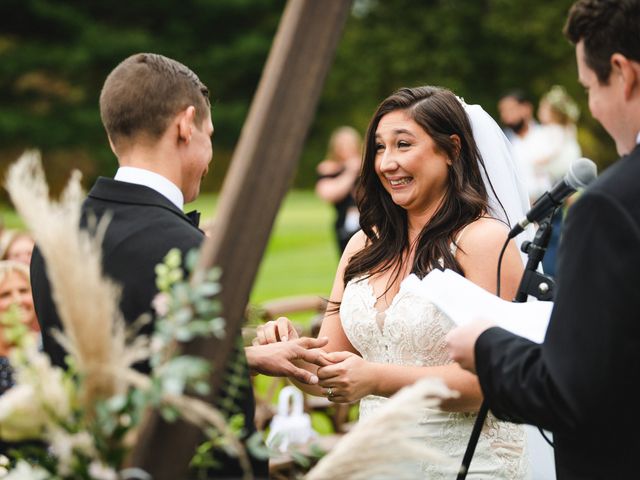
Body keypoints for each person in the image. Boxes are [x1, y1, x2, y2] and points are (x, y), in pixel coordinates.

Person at [29, 52, 327, 479]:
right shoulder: (190, 252)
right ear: (186, 125)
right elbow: (224, 425)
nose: (208, 154)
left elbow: (134, 362)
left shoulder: (52, 237)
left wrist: (247, 357)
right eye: (209, 134)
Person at [255, 86, 533, 478]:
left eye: (403, 145)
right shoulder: (361, 246)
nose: (387, 163)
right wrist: (290, 354)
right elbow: (327, 375)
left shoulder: (484, 242)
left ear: (452, 150)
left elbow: (494, 382)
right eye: (380, 148)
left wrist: (376, 378)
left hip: (468, 464)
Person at [446, 1, 640, 478]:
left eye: (591, 87)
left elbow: (571, 393)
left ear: (622, 73)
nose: (593, 105)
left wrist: (488, 347)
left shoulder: (610, 207)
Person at [534, 85, 583, 276]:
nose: (540, 113)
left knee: (548, 233)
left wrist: (533, 162)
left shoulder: (552, 131)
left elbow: (547, 156)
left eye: (543, 109)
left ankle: (546, 272)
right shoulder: (568, 129)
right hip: (562, 184)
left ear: (552, 112)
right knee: (554, 231)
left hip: (548, 187)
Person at [315, 126, 363, 253]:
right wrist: (350, 171)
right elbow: (328, 194)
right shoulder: (329, 167)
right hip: (344, 222)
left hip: (366, 220)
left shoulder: (364, 166)